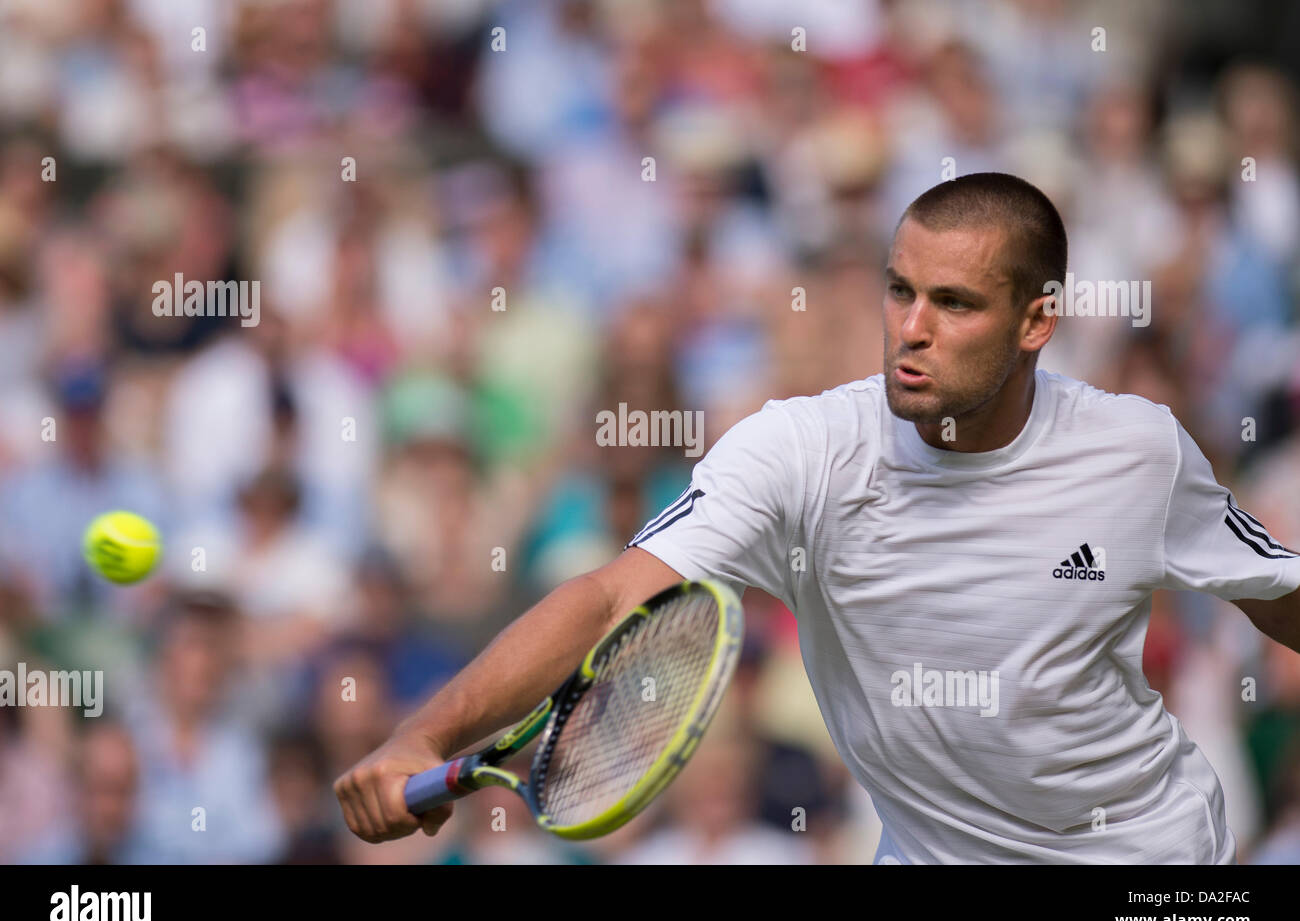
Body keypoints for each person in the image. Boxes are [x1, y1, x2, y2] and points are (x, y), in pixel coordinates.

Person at [335, 173, 1300, 863]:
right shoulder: (801, 451)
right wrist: (423, 736)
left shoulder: (1136, 450)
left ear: (1036, 322)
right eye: (899, 290)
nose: (911, 327)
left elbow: (1279, 593)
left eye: (954, 303)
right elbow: (602, 600)